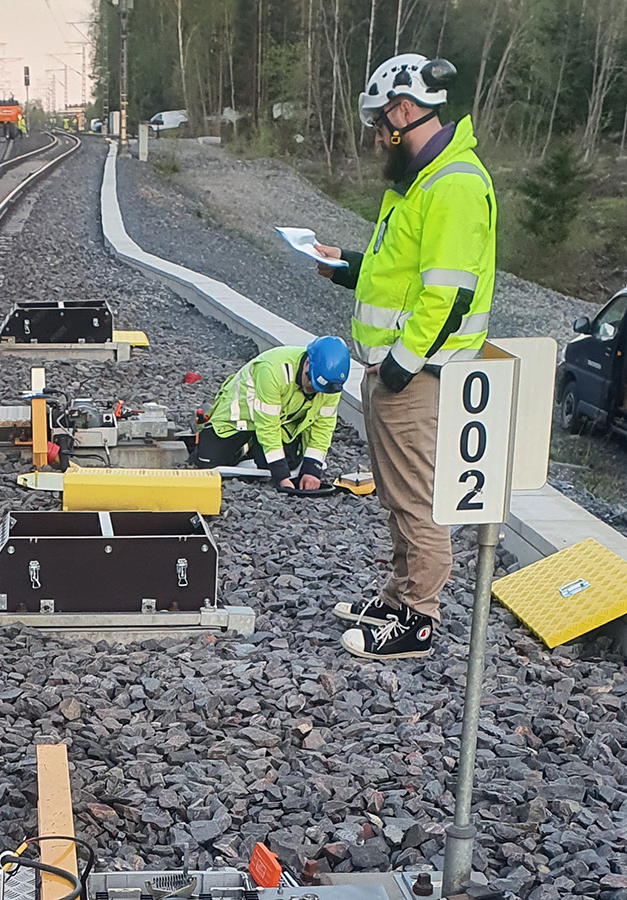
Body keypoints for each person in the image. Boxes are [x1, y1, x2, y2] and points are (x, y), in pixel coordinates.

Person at [311, 53, 497, 661]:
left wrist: (400, 366)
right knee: (396, 492)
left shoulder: (454, 184)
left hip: (419, 373)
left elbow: (447, 293)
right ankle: (399, 595)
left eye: (378, 124)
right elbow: (407, 277)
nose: (375, 137)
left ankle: (418, 618)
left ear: (404, 111)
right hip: (402, 367)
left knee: (415, 498)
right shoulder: (423, 180)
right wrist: (350, 267)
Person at [189, 337, 350, 490]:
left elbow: (324, 426)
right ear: (307, 363)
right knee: (208, 462)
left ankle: (255, 449)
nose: (313, 391)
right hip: (238, 420)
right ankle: (242, 444)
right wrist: (281, 476)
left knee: (285, 464)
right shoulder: (273, 370)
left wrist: (312, 470)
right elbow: (267, 424)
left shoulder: (329, 385)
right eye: (311, 384)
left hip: (281, 423)